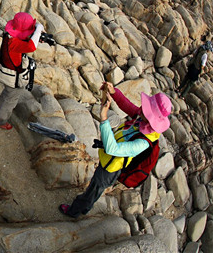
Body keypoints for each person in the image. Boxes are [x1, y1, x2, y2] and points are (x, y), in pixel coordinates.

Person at [59, 82, 172, 218]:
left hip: (110, 169)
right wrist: (114, 92)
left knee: (94, 190)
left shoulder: (144, 143)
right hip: (108, 160)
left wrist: (104, 119)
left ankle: (75, 211)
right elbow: (126, 105)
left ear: (151, 119)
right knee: (94, 187)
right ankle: (84, 206)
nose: (142, 108)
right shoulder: (141, 119)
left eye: (147, 109)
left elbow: (113, 148)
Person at [0, 12, 44, 130]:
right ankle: (0, 120)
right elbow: (31, 46)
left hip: (6, 72)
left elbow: (23, 37)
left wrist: (34, 34)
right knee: (11, 99)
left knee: (7, 91)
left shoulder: (8, 35)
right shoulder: (14, 43)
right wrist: (38, 29)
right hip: (13, 77)